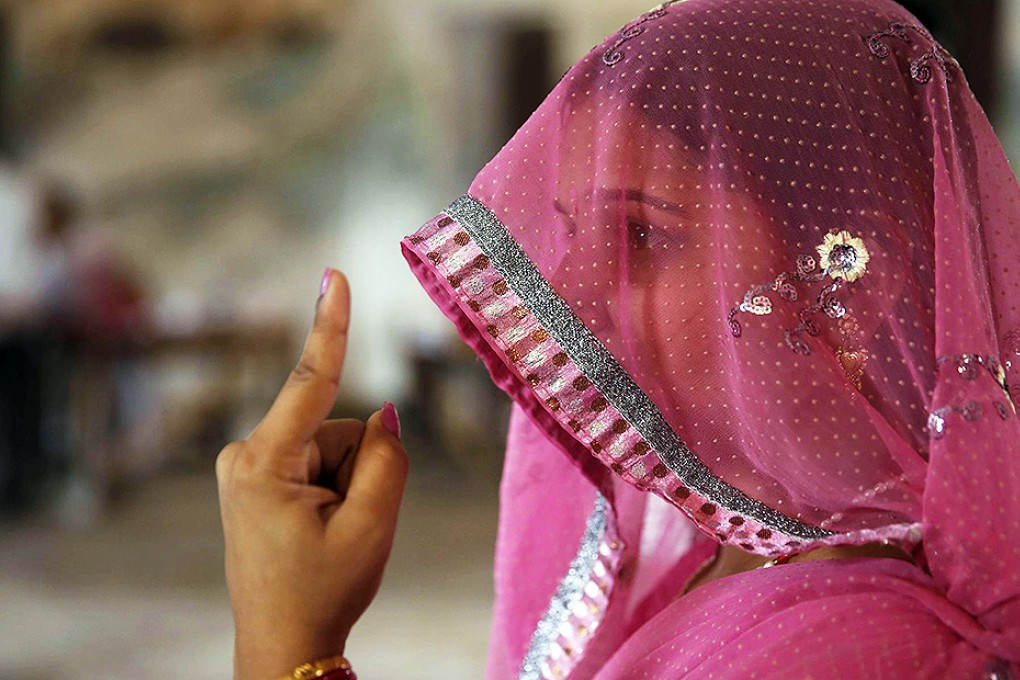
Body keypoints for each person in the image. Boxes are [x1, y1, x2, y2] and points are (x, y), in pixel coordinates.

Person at [217, 0, 1020, 677]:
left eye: (641, 235)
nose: (578, 291)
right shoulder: (713, 552)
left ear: (856, 272)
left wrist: (291, 641)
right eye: (571, 236)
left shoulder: (860, 647)